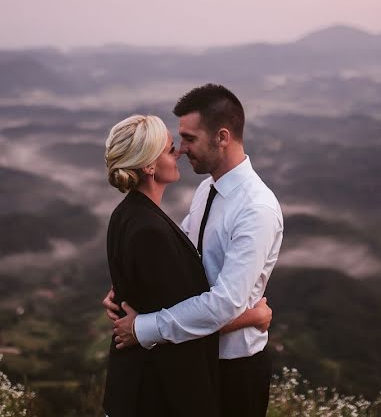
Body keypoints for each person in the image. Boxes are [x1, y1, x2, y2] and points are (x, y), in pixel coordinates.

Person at [106, 85, 284, 417]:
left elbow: (223, 303)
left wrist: (142, 327)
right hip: (194, 361)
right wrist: (121, 294)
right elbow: (172, 261)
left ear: (222, 137)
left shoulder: (255, 209)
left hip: (234, 366)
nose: (182, 149)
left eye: (189, 138)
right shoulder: (206, 190)